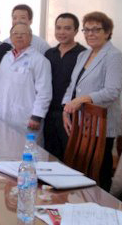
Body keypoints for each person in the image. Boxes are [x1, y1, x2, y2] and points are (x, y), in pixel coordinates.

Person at [63, 11, 122, 191]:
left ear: (107, 32)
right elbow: (73, 86)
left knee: (98, 174)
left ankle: (104, 209)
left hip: (102, 125)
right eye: (87, 30)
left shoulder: (114, 56)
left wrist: (82, 100)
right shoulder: (83, 55)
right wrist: (66, 109)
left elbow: (112, 91)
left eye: (96, 30)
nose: (90, 34)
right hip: (82, 122)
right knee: (81, 171)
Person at [0, 23, 52, 139]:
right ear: (10, 38)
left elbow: (44, 92)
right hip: (4, 115)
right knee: (4, 151)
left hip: (27, 118)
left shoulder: (40, 60)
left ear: (31, 37)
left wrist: (37, 116)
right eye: (15, 34)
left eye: (23, 34)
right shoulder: (6, 58)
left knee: (27, 153)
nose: (19, 36)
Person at [43, 13, 85, 160]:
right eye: (58, 28)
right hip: (49, 113)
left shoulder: (83, 54)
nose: (62, 32)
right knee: (50, 154)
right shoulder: (49, 54)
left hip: (72, 114)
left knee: (72, 156)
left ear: (76, 31)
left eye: (67, 28)